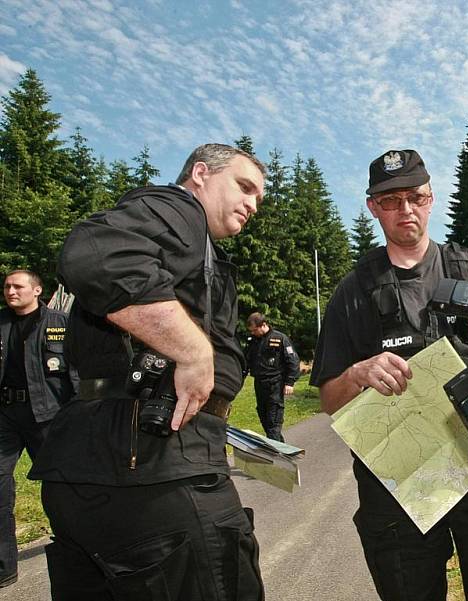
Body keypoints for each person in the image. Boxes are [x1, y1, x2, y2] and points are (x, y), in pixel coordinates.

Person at [29, 144, 268, 601]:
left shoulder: (197, 246)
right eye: (244, 187)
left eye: (259, 196)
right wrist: (194, 351)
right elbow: (95, 255)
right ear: (200, 174)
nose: (253, 203)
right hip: (154, 472)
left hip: (94, 465)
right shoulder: (180, 210)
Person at [310, 149, 468, 601]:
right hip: (399, 484)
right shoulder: (352, 292)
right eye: (391, 201)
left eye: (415, 197)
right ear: (373, 206)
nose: (406, 210)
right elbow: (330, 400)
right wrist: (358, 373)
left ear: (431, 198)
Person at [0, 270, 77, 589]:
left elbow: (73, 371)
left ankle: (77, 551)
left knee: (62, 485)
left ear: (37, 289)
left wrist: (79, 412)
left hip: (47, 414)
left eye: (18, 286)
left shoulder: (59, 322)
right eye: (6, 286)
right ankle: (5, 566)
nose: (11, 291)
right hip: (4, 415)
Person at [244, 313, 300, 442]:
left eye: (254, 330)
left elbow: (293, 361)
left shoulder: (280, 339)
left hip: (275, 384)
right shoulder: (253, 342)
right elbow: (247, 361)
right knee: (265, 420)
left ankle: (277, 456)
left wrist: (290, 382)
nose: (252, 333)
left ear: (263, 325)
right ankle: (283, 451)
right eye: (251, 331)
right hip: (259, 384)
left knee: (273, 422)